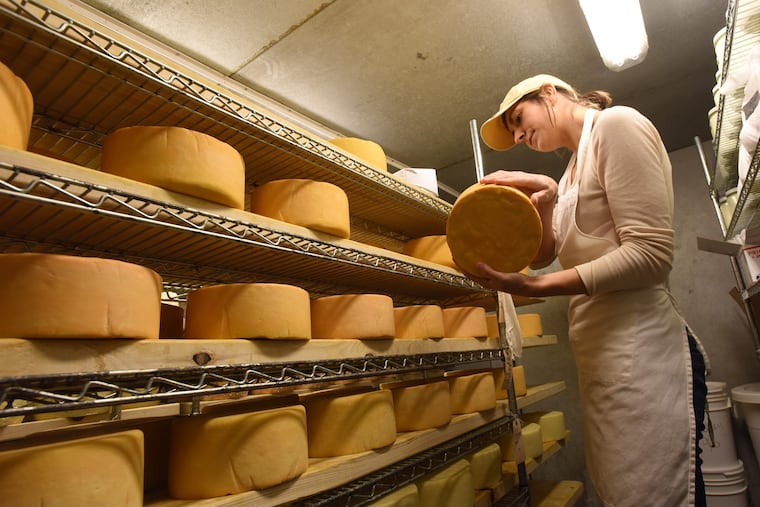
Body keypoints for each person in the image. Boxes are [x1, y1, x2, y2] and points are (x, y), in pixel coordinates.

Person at [468, 74, 710, 507]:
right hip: (604, 353)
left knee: (658, 494)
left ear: (548, 94)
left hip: (644, 349)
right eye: (514, 133)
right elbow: (544, 253)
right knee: (622, 492)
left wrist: (534, 286)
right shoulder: (571, 170)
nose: (520, 135)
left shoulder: (616, 126)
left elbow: (651, 254)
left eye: (518, 120)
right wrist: (545, 196)